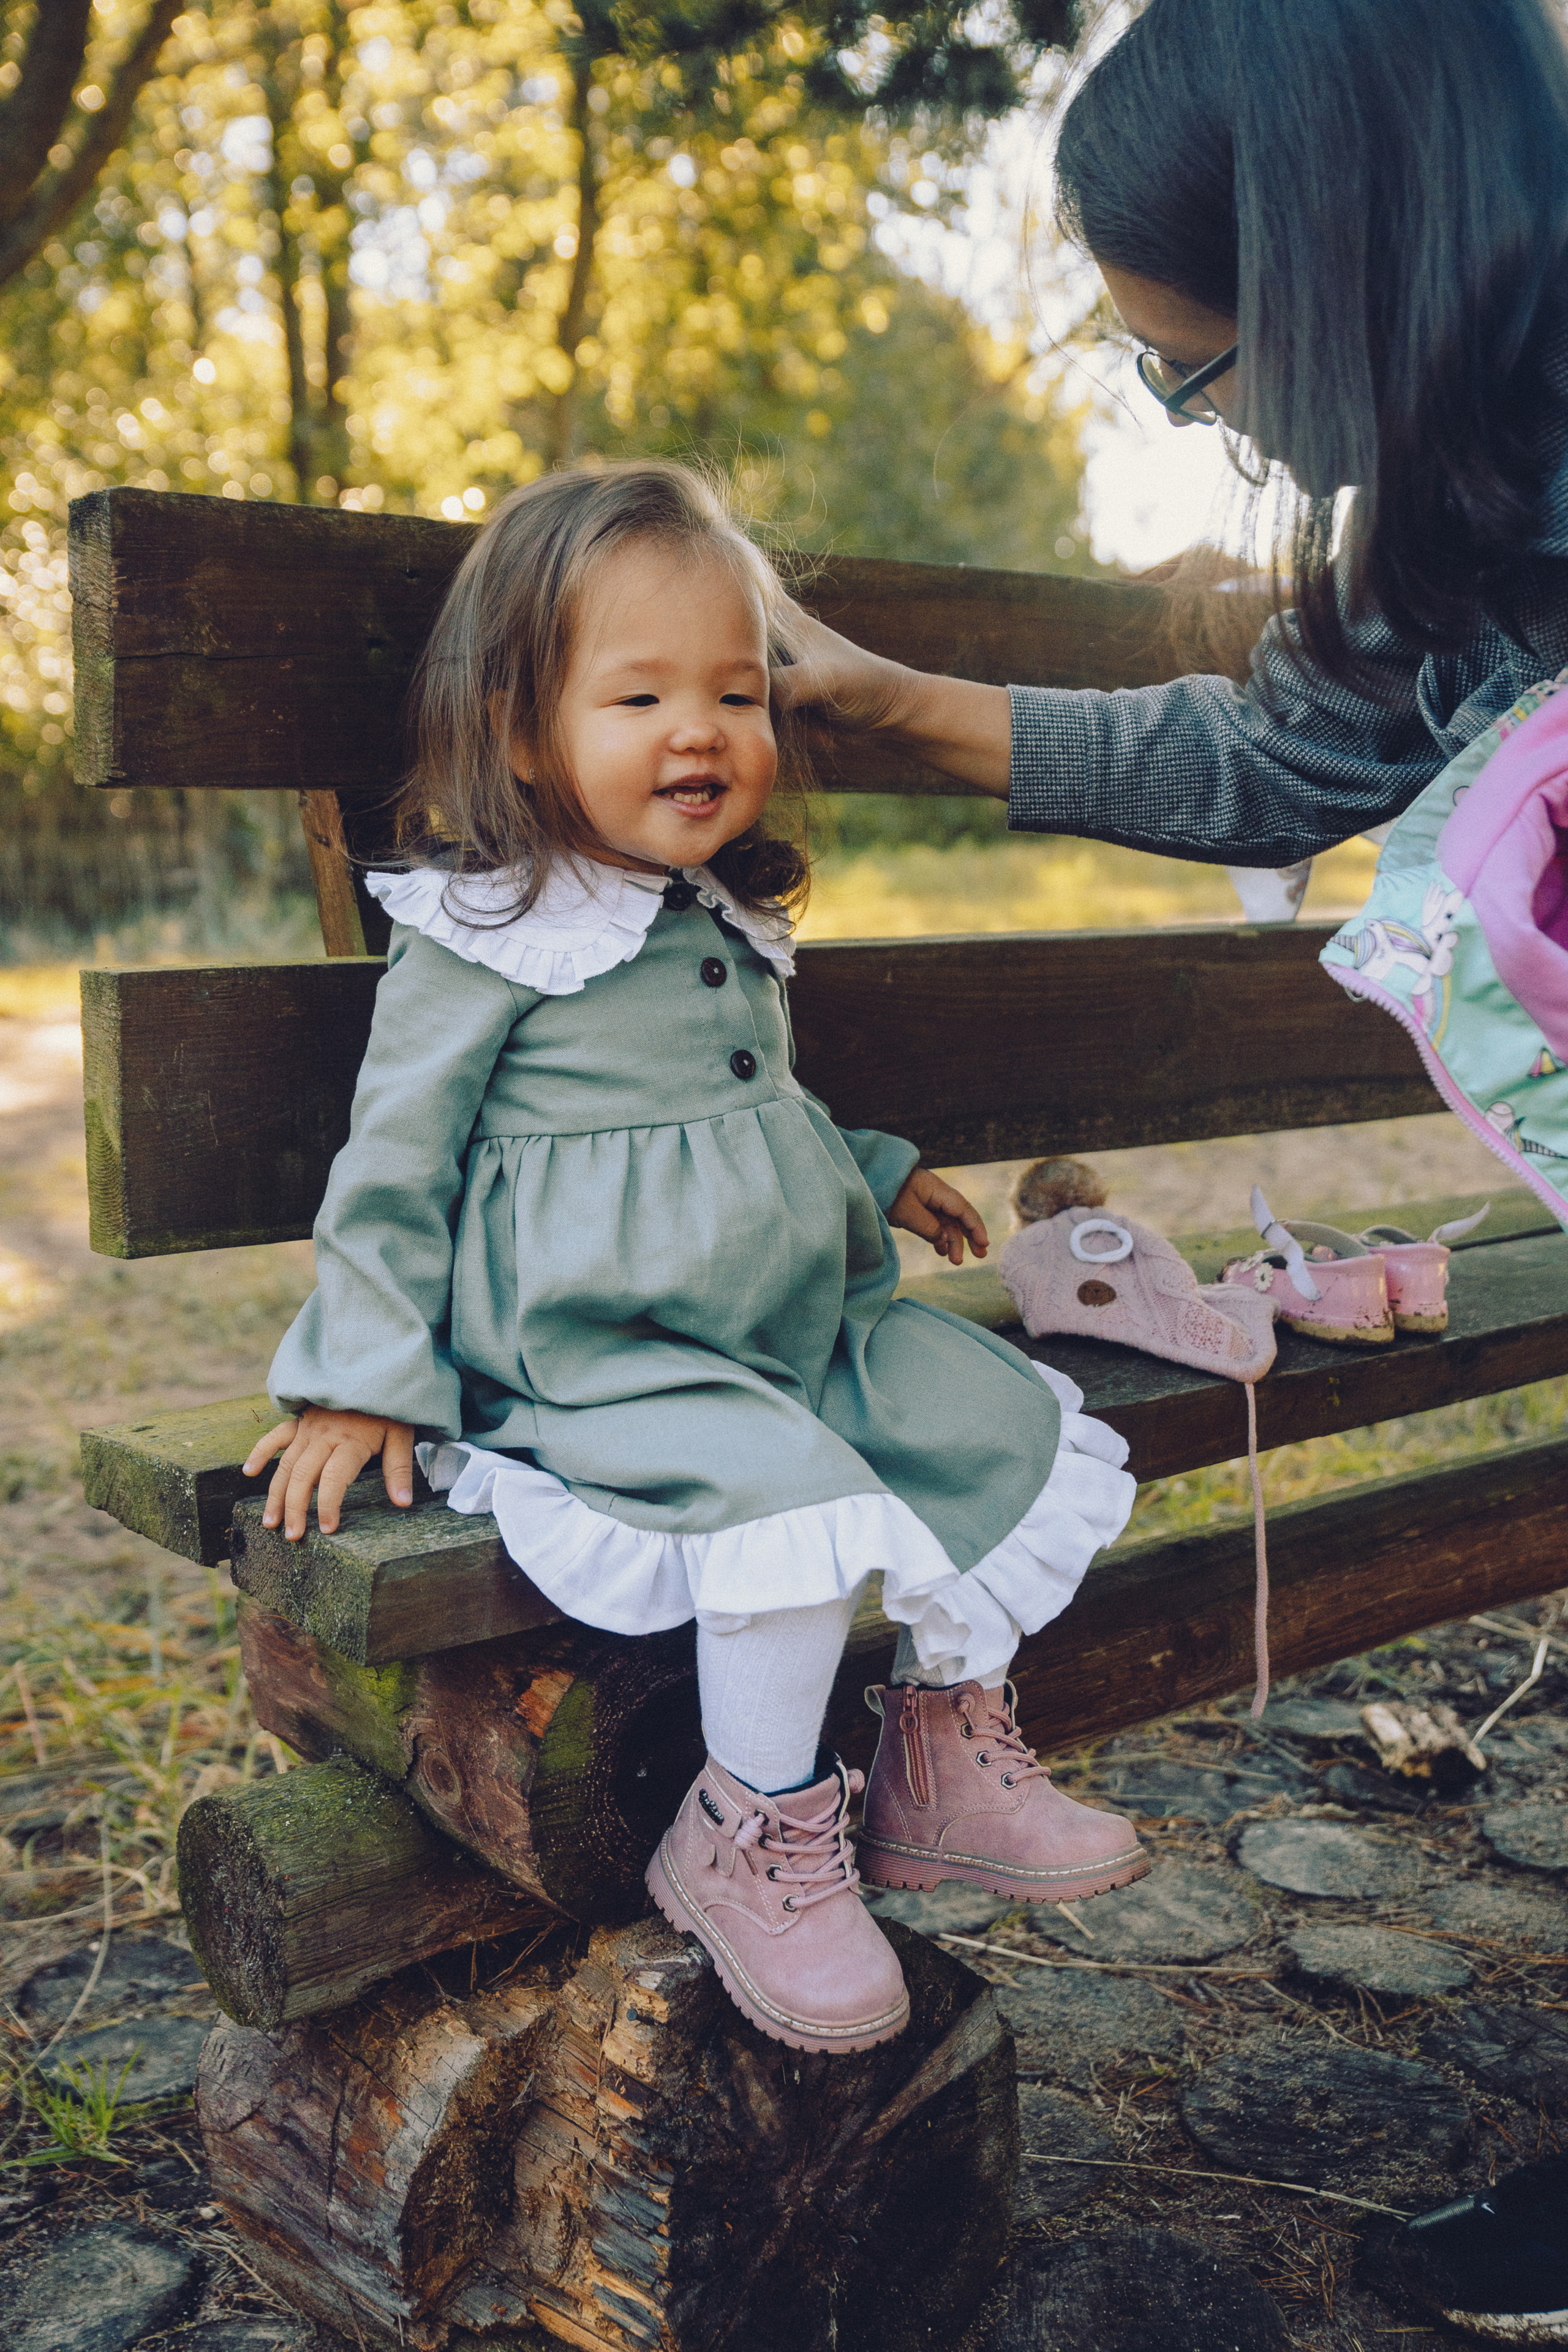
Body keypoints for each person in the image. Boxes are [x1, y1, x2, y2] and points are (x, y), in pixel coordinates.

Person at [241, 461, 1146, 2058]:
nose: (700, 729)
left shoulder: (722, 912)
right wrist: (360, 1374)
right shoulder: (488, 922)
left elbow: (750, 1109)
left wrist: (875, 1171)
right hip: (608, 1353)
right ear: (524, 730)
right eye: (640, 691)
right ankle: (757, 1838)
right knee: (783, 1517)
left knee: (978, 1412)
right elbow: (392, 1163)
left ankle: (937, 1759)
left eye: (736, 692)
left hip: (789, 1322)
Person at [772, 0, 1568, 881]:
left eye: (1193, 367)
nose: (1197, 413)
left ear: (1348, 278)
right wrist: (896, 701)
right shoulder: (1447, 513)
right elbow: (1276, 759)